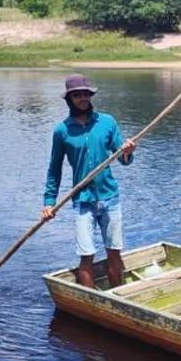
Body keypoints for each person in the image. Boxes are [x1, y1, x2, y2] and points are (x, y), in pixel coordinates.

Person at [41, 75, 136, 289]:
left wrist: (128, 152)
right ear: (69, 99)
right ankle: (93, 300)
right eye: (77, 95)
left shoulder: (107, 122)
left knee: (114, 251)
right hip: (83, 201)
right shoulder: (62, 131)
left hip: (110, 197)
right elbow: (54, 170)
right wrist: (49, 203)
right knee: (86, 254)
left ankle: (118, 296)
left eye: (86, 94)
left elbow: (123, 159)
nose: (82, 98)